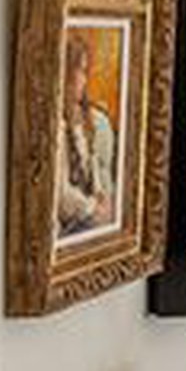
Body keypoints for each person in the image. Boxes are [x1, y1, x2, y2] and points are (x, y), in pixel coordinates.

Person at [56, 28, 121, 238]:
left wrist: (101, 195)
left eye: (86, 71)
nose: (84, 79)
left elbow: (93, 169)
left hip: (87, 210)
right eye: (80, 70)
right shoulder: (57, 125)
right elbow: (62, 197)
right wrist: (94, 209)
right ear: (64, 72)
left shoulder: (86, 120)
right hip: (70, 221)